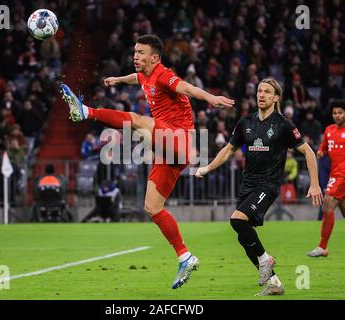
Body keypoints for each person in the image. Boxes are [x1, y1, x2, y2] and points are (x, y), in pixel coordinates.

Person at [60, 34, 235, 289]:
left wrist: (211, 98)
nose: (135, 56)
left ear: (155, 57)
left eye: (141, 53)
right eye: (134, 51)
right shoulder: (144, 74)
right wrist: (119, 80)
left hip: (180, 140)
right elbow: (137, 79)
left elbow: (186, 87)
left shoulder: (164, 74)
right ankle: (185, 256)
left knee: (138, 120)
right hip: (167, 150)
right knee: (152, 207)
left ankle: (85, 111)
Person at [195, 78, 323, 296]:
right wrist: (207, 168)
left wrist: (315, 184)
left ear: (276, 98)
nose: (262, 94)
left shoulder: (283, 124)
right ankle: (274, 282)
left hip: (268, 185)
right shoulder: (246, 122)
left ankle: (266, 260)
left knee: (237, 220)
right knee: (243, 235)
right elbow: (228, 150)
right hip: (248, 184)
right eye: (259, 91)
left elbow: (308, 152)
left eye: (267, 92)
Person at [307, 100, 345, 257]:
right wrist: (320, 152)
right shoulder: (329, 130)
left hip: (341, 175)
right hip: (335, 173)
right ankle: (323, 247)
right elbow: (323, 148)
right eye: (335, 113)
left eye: (340, 112)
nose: (337, 115)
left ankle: (322, 246)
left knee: (327, 203)